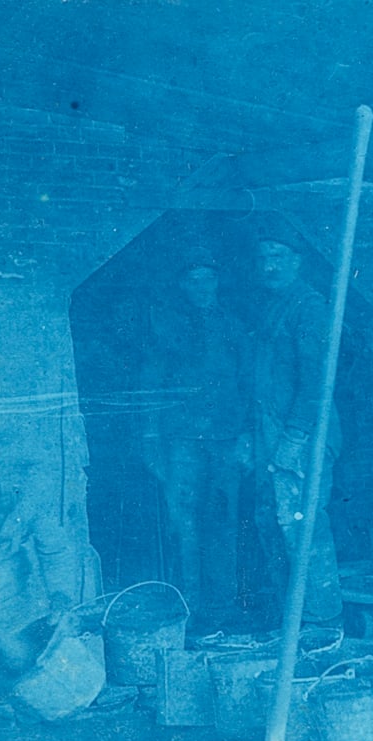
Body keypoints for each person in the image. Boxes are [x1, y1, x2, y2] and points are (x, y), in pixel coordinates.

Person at [0, 430, 101, 735]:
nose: (1, 487)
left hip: (12, 583)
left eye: (10, 477)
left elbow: (55, 551)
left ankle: (18, 723)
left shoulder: (35, 493)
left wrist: (61, 598)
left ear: (23, 475)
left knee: (31, 658)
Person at [141, 247, 253, 625]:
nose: (202, 286)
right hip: (181, 441)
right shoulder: (167, 328)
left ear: (218, 282)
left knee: (222, 520)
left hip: (226, 440)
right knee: (182, 523)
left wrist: (247, 435)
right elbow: (151, 384)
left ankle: (222, 609)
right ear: (182, 285)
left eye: (209, 278)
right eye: (193, 279)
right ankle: (186, 608)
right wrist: (150, 438)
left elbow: (249, 385)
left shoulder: (235, 327)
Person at [249, 226, 343, 629]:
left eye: (278, 257)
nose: (269, 266)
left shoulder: (309, 307)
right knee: (273, 523)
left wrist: (294, 438)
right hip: (270, 435)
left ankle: (323, 625)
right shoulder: (274, 306)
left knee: (303, 529)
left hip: (304, 438)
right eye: (263, 258)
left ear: (297, 261)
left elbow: (317, 382)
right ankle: (290, 625)